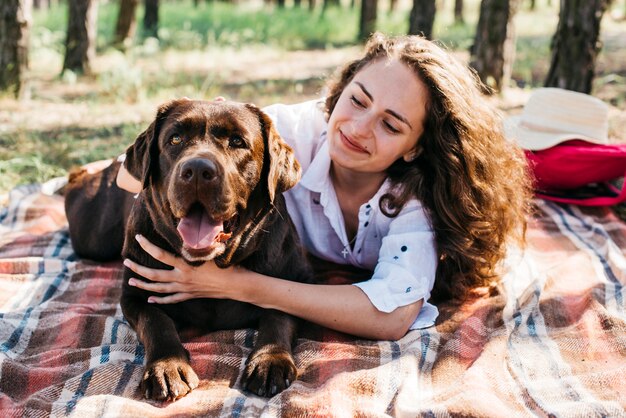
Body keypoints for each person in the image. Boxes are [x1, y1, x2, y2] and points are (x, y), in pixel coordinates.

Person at [116, 32, 531, 341]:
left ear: (415, 146)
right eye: (358, 100)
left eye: (390, 124)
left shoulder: (418, 199)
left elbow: (390, 315)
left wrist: (234, 285)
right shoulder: (291, 131)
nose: (357, 128)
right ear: (341, 90)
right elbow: (129, 170)